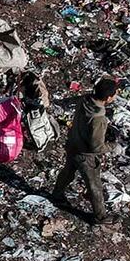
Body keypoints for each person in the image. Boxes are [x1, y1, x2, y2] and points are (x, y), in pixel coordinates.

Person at [51, 78, 119, 225]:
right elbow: (96, 147)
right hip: (85, 155)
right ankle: (100, 217)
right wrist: (113, 146)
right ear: (108, 98)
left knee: (67, 172)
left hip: (72, 143)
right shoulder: (98, 118)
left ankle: (56, 195)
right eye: (115, 94)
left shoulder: (85, 100)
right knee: (94, 185)